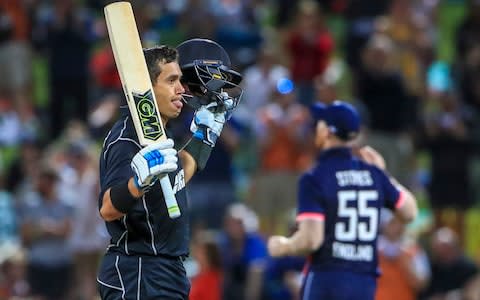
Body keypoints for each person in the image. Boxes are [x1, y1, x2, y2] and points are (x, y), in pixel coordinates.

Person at [96, 39, 243, 299]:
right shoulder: (127, 138)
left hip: (167, 270)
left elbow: (175, 178)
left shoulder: (161, 134)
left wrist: (205, 137)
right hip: (139, 270)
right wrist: (138, 184)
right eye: (172, 80)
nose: (181, 89)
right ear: (147, 88)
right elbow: (107, 208)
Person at [267, 100, 418, 300]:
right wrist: (385, 175)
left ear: (327, 132)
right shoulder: (374, 174)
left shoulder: (315, 178)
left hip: (327, 277)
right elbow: (409, 212)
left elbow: (312, 239)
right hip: (364, 281)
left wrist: (285, 245)